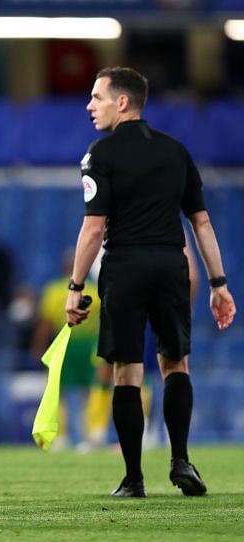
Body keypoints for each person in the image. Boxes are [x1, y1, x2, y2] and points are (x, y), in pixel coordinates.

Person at [66, 66, 236, 498]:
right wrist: (219, 283)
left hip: (124, 267)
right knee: (175, 363)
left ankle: (133, 478)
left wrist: (75, 286)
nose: (90, 106)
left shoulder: (100, 154)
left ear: (122, 102)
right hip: (170, 265)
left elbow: (93, 228)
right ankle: (181, 460)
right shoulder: (176, 152)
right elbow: (201, 222)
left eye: (97, 97)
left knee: (127, 372)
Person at [32, 250, 100, 450]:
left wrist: (38, 347)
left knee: (57, 390)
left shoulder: (53, 291)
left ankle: (60, 435)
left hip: (63, 344)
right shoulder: (95, 290)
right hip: (89, 345)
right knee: (89, 390)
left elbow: (45, 323)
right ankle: (91, 434)